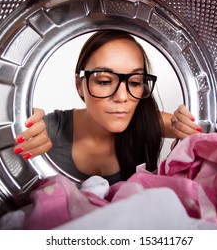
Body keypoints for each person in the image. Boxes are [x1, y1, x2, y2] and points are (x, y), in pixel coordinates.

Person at [13, 30, 202, 185]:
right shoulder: (50, 130)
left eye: (135, 82)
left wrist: (185, 124)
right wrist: (18, 122)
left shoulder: (144, 121)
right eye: (104, 81)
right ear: (80, 84)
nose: (122, 97)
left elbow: (185, 126)